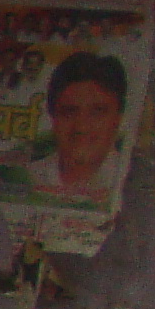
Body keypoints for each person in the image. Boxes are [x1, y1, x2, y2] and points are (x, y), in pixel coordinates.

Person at [23, 47, 131, 212]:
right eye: (69, 112)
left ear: (118, 118)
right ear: (53, 118)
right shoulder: (28, 177)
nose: (81, 127)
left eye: (97, 112)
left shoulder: (131, 181)